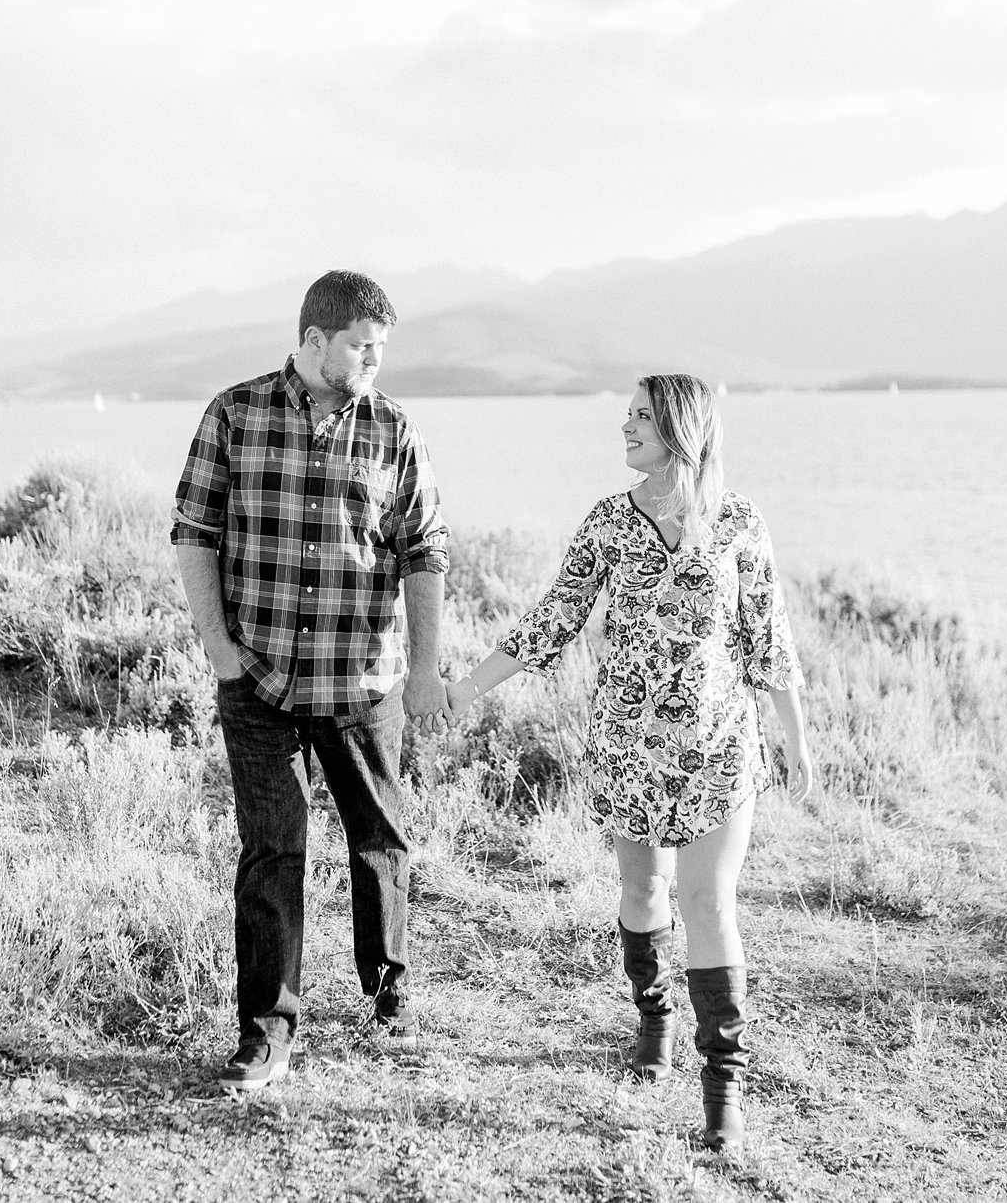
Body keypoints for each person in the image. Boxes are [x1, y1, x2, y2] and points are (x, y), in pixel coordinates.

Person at [445, 373, 808, 1150]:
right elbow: (556, 618)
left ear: (681, 428)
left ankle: (723, 1090)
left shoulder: (741, 523)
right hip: (629, 747)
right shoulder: (608, 522)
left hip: (718, 747)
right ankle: (654, 1019)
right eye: (627, 416)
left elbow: (767, 635)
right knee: (643, 888)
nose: (625, 428)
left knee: (709, 904)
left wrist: (795, 736)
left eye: (641, 417)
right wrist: (468, 688)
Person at [171, 270, 451, 1094]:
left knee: (378, 839)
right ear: (316, 339)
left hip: (362, 681)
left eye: (380, 349)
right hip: (256, 679)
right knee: (271, 852)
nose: (373, 361)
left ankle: (386, 987)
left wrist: (426, 669)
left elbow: (425, 549)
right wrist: (220, 648)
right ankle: (266, 1034)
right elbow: (194, 529)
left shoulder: (394, 428)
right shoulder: (234, 412)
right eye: (361, 346)